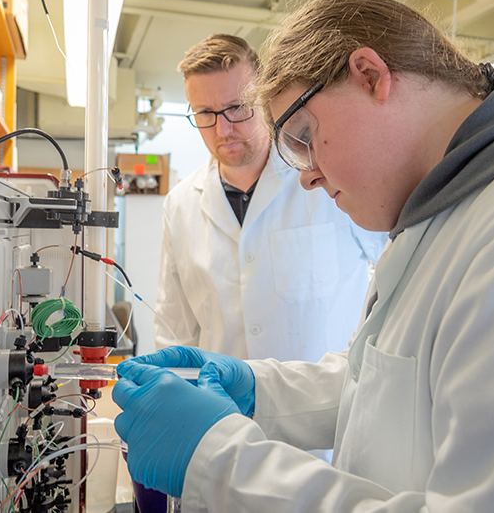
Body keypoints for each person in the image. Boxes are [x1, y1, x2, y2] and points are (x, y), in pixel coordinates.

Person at [113, 0, 494, 511]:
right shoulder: (456, 210)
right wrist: (259, 389)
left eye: (305, 137)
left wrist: (220, 459)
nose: (307, 177)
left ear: (370, 75)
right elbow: (391, 381)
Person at [154, 33, 387, 362]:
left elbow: (396, 272)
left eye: (236, 108)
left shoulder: (327, 178)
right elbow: (174, 327)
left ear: (263, 100)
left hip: (321, 406)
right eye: (205, 113)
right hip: (220, 405)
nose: (223, 130)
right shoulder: (180, 205)